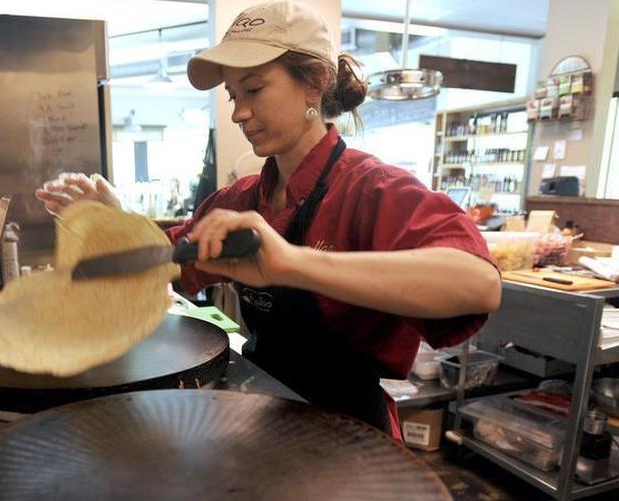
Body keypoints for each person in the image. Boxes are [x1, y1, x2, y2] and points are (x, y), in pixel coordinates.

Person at [35, 0, 501, 440]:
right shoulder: (239, 200)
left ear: (314, 82)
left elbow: (478, 284)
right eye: (234, 94)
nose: (238, 113)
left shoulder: (372, 189)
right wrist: (113, 219)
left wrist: (290, 263)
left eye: (254, 89)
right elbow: (168, 262)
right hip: (263, 409)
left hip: (351, 433)